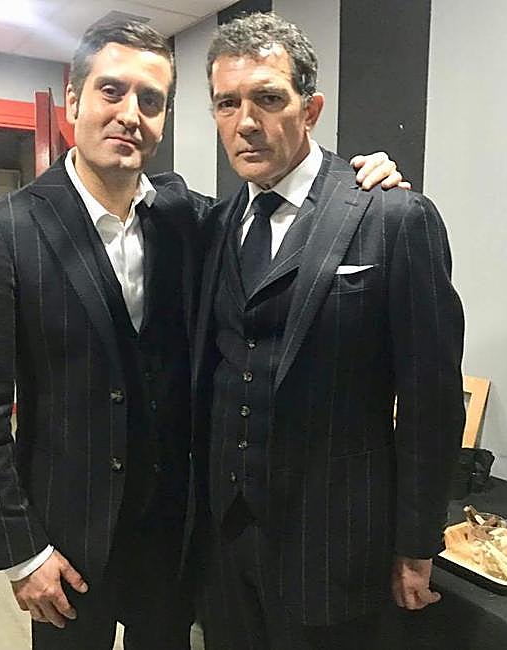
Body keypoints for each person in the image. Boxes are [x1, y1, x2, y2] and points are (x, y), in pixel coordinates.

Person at [0, 16, 404, 650]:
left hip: (176, 537)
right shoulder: (4, 231)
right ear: (73, 100)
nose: (129, 115)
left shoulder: (189, 218)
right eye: (111, 91)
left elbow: (292, 197)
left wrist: (363, 173)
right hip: (65, 539)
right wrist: (20, 550)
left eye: (151, 100)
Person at [188, 12, 466, 650]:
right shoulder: (214, 225)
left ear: (310, 109)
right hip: (224, 540)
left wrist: (417, 543)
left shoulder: (392, 217)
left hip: (334, 543)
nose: (245, 122)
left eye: (267, 98)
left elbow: (430, 399)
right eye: (227, 103)